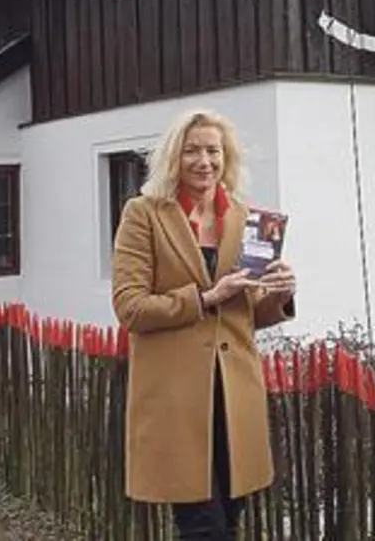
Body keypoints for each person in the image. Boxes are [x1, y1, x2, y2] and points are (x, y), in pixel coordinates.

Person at [111, 109, 298, 540]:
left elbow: (248, 314)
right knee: (202, 527)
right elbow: (130, 308)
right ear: (173, 158)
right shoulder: (144, 214)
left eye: (213, 151)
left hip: (235, 395)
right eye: (192, 150)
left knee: (229, 521)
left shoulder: (246, 218)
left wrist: (281, 292)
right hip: (176, 398)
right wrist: (205, 297)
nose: (204, 161)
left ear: (226, 157)